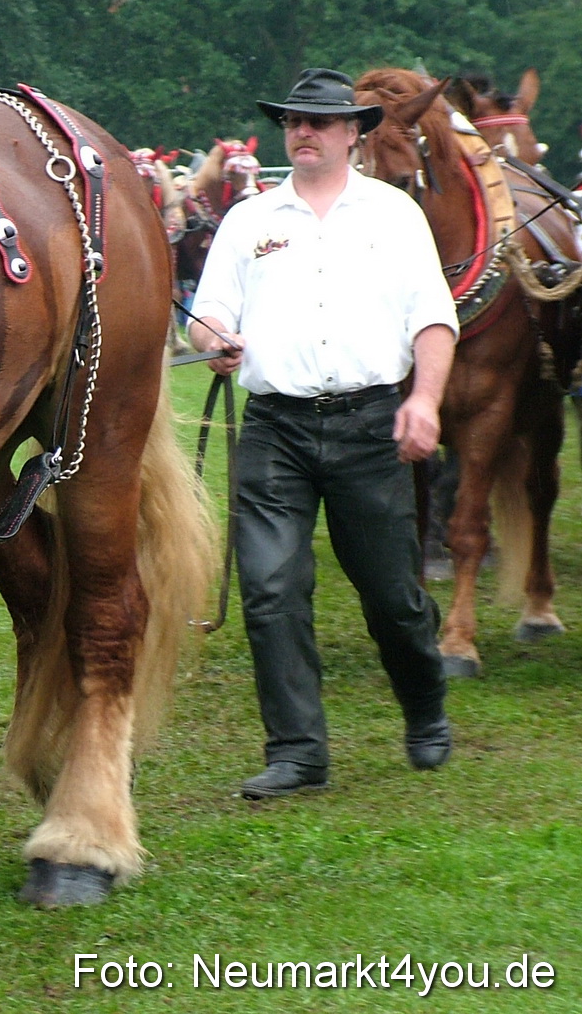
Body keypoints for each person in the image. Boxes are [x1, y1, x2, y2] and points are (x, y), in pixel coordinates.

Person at [188, 68, 458, 799]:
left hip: (369, 424)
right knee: (270, 589)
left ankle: (424, 699)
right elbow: (205, 312)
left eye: (316, 121)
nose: (301, 131)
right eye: (291, 121)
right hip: (274, 429)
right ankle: (297, 752)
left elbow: (433, 317)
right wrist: (216, 336)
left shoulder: (393, 217)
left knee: (390, 594)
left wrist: (424, 400)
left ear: (352, 133)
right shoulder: (249, 220)